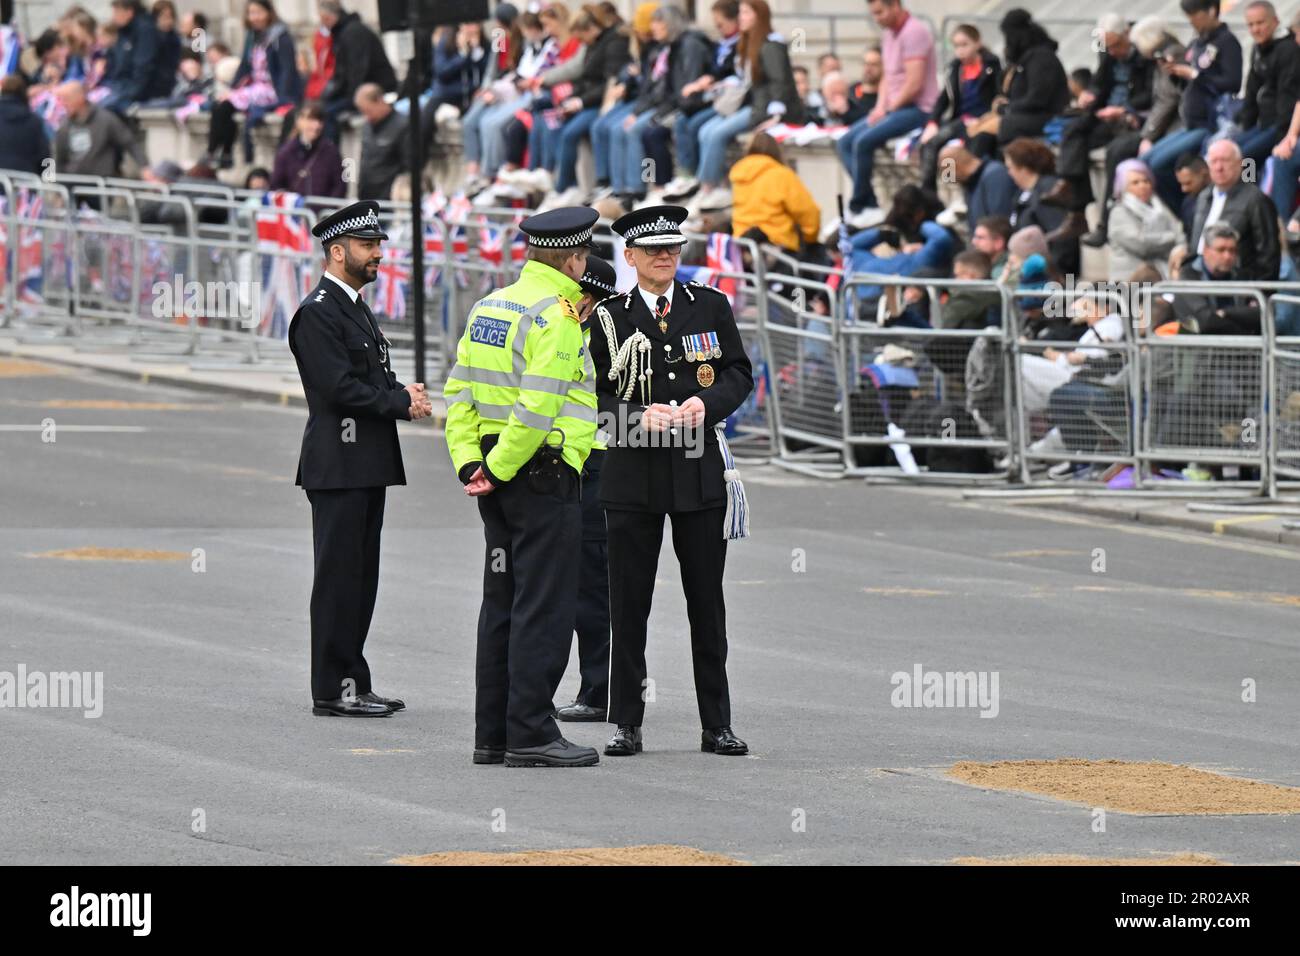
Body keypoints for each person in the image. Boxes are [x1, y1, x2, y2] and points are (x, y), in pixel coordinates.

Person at [590, 204, 754, 758]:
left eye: (673, 249)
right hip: (634, 472)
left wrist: (704, 405)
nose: (665, 257)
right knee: (628, 604)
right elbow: (591, 397)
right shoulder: (609, 318)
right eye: (653, 250)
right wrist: (637, 417)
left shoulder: (708, 305)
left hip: (696, 470)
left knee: (706, 603)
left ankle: (717, 723)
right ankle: (626, 722)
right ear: (630, 257)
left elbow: (738, 372)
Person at [442, 207, 601, 768]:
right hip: (541, 472)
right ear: (576, 258)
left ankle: (494, 733)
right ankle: (531, 732)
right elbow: (539, 404)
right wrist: (503, 468)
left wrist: (472, 465)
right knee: (545, 604)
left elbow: (459, 392)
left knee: (503, 604)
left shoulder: (491, 304)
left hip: (495, 472)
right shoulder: (556, 314)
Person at [288, 200, 432, 718]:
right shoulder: (318, 312)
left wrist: (400, 389)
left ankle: (355, 679)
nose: (377, 256)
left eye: (378, 247)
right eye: (369, 247)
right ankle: (331, 688)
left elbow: (368, 377)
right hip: (338, 465)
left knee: (361, 578)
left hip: (365, 462)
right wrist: (398, 402)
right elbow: (337, 389)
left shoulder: (353, 306)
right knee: (338, 579)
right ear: (337, 250)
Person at [555, 254, 621, 723]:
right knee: (581, 587)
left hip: (597, 467)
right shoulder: (572, 333)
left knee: (593, 589)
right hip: (576, 466)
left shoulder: (604, 342)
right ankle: (594, 685)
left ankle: (598, 690)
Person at [1048, 14, 1155, 241]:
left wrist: (1124, 109)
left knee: (1114, 154)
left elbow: (1152, 95)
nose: (1113, 51)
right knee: (1074, 131)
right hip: (1107, 113)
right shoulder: (1106, 51)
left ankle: (1104, 224)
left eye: (1116, 45)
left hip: (1134, 117)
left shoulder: (1146, 52)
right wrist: (1091, 95)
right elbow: (1100, 82)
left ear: (1127, 35)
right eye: (1109, 47)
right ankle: (1075, 200)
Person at [694, 0, 804, 211]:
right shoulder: (747, 42)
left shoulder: (771, 44)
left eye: (745, 12)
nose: (741, 17)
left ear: (758, 16)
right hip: (751, 104)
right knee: (705, 131)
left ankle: (710, 188)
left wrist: (777, 113)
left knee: (717, 134)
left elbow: (779, 81)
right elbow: (744, 78)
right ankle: (712, 184)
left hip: (763, 109)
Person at [836, 0, 938, 223]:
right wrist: (880, 107)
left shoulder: (914, 32)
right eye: (873, 14)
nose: (877, 18)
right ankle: (869, 202)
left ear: (895, 6)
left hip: (917, 108)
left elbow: (914, 83)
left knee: (863, 142)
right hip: (894, 107)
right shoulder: (888, 34)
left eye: (880, 12)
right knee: (844, 142)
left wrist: (891, 108)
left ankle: (859, 203)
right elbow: (888, 78)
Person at [1143, 0, 1242, 212]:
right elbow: (1187, 83)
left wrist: (1196, 75)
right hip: (1190, 121)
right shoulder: (1196, 43)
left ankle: (1186, 212)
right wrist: (1176, 73)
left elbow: (1233, 82)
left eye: (1195, 16)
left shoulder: (1227, 42)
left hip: (1211, 124)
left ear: (1211, 11)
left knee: (1158, 165)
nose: (1191, 22)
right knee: (1145, 161)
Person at [205, 0, 301, 169]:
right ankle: (220, 152)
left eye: (258, 12)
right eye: (251, 13)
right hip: (254, 88)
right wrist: (232, 89)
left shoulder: (281, 37)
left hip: (272, 90)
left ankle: (216, 154)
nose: (254, 18)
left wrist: (285, 99)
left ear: (269, 13)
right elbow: (244, 66)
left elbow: (287, 70)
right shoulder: (252, 36)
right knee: (221, 105)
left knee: (226, 104)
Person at [665, 0, 740, 200]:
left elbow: (734, 74)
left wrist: (713, 81)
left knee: (700, 126)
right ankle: (687, 175)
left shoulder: (740, 43)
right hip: (716, 97)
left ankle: (706, 183)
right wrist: (709, 81)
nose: (718, 27)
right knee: (683, 120)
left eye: (721, 23)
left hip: (731, 100)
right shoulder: (721, 44)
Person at [1179, 138, 1281, 281]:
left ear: (1240, 164)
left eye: (1225, 161)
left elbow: (1269, 255)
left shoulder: (1256, 199)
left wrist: (1259, 294)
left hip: (1236, 283)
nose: (1219, 167)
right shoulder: (1203, 197)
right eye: (1214, 162)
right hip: (1198, 277)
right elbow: (1194, 244)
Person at [917, 23, 1000, 191]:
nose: (960, 50)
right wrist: (932, 122)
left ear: (977, 43)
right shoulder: (954, 70)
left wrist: (985, 119)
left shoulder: (992, 67)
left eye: (964, 44)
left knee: (961, 150)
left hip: (984, 122)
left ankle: (965, 191)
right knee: (936, 147)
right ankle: (934, 190)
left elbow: (999, 96)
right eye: (956, 46)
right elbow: (943, 100)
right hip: (961, 121)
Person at [974, 9, 1067, 155]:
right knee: (975, 128)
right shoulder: (1024, 59)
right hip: (1024, 115)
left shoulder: (1042, 58)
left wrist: (1007, 109)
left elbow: (1037, 100)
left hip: (1045, 118)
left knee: (985, 135)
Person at [1233, 2, 1300, 171]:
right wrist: (1246, 128)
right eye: (1251, 25)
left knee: (1244, 157)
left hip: (1278, 125)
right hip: (1262, 124)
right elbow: (1251, 91)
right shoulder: (1258, 49)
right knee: (1229, 150)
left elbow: (1288, 97)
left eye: (1260, 23)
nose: (1256, 29)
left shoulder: (1288, 50)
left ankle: (1250, 193)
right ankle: (1245, 189)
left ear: (1275, 21)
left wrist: (1283, 136)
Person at [728, 131, 819, 253]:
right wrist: (810, 239)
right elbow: (808, 212)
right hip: (776, 247)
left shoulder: (739, 173)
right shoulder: (782, 175)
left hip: (742, 245)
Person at [317, 1, 397, 140]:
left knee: (328, 113)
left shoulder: (353, 33)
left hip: (373, 89)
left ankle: (330, 155)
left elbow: (357, 72)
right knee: (319, 109)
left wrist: (351, 101)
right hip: (359, 90)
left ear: (328, 17)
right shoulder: (345, 32)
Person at [1003, 136, 1075, 274]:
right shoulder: (1022, 194)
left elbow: (1060, 234)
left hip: (1047, 275)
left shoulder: (1049, 191)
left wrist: (1053, 272)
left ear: (1023, 168)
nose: (1009, 173)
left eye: (1010, 167)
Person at [1106, 158, 1184, 279]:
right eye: (1135, 182)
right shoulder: (1119, 212)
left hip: (1160, 272)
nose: (1142, 186)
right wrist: (1172, 237)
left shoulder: (1159, 207)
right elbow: (1142, 244)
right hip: (1130, 281)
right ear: (1123, 187)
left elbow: (1179, 229)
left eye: (1146, 181)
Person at [53, 80, 147, 178]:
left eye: (66, 99)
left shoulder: (105, 119)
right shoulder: (64, 126)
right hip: (74, 184)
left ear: (80, 98)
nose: (63, 104)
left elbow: (129, 142)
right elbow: (60, 159)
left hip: (101, 184)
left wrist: (145, 167)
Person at [99, 0, 173, 113]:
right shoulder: (123, 32)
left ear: (129, 12)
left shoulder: (145, 30)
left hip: (142, 93)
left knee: (100, 110)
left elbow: (143, 69)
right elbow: (114, 65)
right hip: (119, 87)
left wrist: (126, 94)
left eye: (116, 12)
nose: (113, 17)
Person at [269, 99, 345, 198]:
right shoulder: (286, 152)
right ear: (299, 121)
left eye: (319, 120)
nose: (316, 125)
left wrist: (327, 209)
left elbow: (340, 186)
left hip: (325, 212)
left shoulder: (331, 152)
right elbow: (276, 186)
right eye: (311, 119)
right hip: (296, 211)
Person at [937, 140, 1016, 228]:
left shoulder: (995, 175)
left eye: (948, 174)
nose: (952, 181)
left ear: (956, 167)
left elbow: (1001, 222)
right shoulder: (970, 185)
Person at [354, 82, 407, 201]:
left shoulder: (403, 126)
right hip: (366, 196)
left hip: (388, 200)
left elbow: (407, 167)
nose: (367, 116)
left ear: (379, 101)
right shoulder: (367, 126)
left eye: (368, 111)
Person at [0, 74, 51, 176]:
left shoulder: (34, 119)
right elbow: (44, 155)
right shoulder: (34, 120)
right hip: (26, 182)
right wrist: (48, 181)